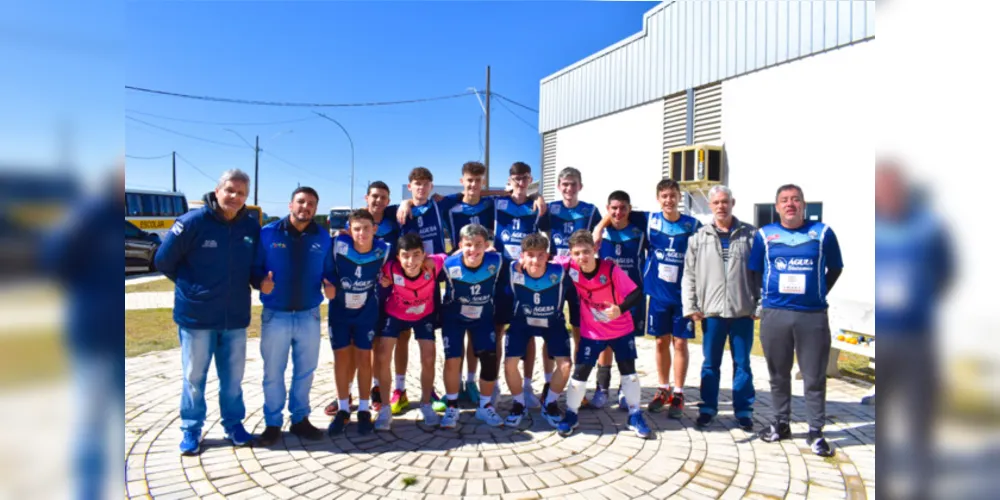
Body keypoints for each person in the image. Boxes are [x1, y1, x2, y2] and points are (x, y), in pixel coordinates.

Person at [154, 169, 261, 455]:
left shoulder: (250, 227)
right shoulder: (192, 223)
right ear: (217, 191)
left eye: (241, 193)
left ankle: (234, 424)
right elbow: (163, 261)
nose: (235, 197)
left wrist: (262, 280)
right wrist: (192, 288)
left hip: (235, 318)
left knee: (233, 380)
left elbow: (253, 267)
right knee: (193, 378)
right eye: (230, 190)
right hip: (197, 318)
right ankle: (191, 429)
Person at [42, 163, 124, 500]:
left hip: (120, 342)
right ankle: (88, 492)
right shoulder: (88, 215)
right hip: (92, 337)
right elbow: (54, 261)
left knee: (121, 422)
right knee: (91, 423)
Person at [875, 160, 952, 500]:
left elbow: (947, 273)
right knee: (881, 417)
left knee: (920, 416)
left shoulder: (929, 226)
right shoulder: (873, 226)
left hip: (918, 337)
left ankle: (922, 484)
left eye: (893, 186)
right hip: (883, 337)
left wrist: (916, 301)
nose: (888, 193)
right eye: (882, 187)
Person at [749, 184, 844, 457]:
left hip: (811, 315)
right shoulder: (765, 235)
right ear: (777, 207)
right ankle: (781, 423)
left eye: (795, 200)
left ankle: (816, 431)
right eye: (784, 200)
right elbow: (755, 270)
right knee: (778, 375)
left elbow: (835, 268)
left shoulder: (822, 233)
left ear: (803, 204)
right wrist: (763, 299)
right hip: (775, 313)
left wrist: (818, 291)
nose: (790, 204)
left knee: (814, 376)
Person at [251, 187, 333, 446]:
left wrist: (331, 286)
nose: (305, 207)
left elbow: (330, 271)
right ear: (290, 205)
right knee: (273, 372)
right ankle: (273, 423)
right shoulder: (268, 233)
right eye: (300, 202)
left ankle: (300, 420)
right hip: (276, 315)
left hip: (309, 315)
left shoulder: (323, 237)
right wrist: (259, 282)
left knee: (305, 371)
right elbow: (254, 269)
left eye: (311, 204)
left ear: (315, 209)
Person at [554, 230, 651, 439]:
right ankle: (571, 414)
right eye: (577, 253)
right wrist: (520, 263)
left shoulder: (610, 268)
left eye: (586, 252)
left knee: (629, 372)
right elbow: (542, 260)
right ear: (571, 254)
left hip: (620, 329)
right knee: (580, 373)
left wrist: (620, 308)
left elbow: (637, 293)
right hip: (592, 332)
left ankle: (635, 415)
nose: (582, 257)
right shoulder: (568, 266)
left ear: (595, 249)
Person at [681, 185, 758, 431]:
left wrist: (759, 304)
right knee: (710, 363)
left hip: (742, 311)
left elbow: (762, 274)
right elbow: (689, 275)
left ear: (732, 203)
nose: (721, 206)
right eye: (716, 203)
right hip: (711, 312)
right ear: (710, 206)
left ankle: (744, 410)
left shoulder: (751, 235)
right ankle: (707, 408)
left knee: (743, 362)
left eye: (725, 202)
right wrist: (690, 305)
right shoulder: (699, 237)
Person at [326, 209, 391, 436]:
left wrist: (386, 279)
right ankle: (343, 409)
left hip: (366, 313)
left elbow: (394, 268)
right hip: (340, 313)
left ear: (374, 228)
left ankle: (364, 409)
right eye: (356, 228)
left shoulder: (384, 249)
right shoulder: (337, 245)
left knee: (365, 358)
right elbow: (326, 270)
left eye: (366, 228)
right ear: (348, 230)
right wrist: (329, 283)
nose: (361, 233)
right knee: (341, 358)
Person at [389, 167, 448, 416]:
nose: (421, 188)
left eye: (425, 184)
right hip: (403, 282)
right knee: (401, 339)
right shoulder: (397, 210)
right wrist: (403, 202)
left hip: (430, 280)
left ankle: (429, 390)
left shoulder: (440, 205)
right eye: (416, 184)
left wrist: (535, 197)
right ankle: (399, 390)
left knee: (428, 343)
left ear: (431, 186)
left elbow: (478, 196)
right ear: (409, 185)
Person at [376, 233, 447, 430]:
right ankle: (384, 408)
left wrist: (489, 250)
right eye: (405, 256)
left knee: (429, 356)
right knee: (382, 355)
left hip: (424, 315)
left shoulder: (433, 265)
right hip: (396, 314)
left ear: (424, 255)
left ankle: (426, 404)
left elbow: (453, 257)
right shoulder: (390, 269)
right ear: (398, 257)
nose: (411, 261)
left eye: (416, 255)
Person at [644, 179, 702, 418]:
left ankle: (678, 392)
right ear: (658, 198)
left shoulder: (693, 225)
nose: (668, 200)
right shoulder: (650, 221)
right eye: (664, 196)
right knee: (660, 342)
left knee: (680, 343)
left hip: (683, 296)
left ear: (680, 197)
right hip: (658, 295)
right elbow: (616, 212)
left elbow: (704, 256)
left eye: (673, 195)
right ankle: (662, 388)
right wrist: (598, 228)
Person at [493, 162, 549, 409]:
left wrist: (539, 196)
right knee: (496, 331)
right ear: (510, 179)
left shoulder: (536, 205)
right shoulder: (498, 203)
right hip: (501, 275)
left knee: (527, 333)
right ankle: (492, 384)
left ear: (530, 179)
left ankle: (527, 386)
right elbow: (471, 195)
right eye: (516, 178)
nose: (520, 182)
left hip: (526, 277)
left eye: (525, 178)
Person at [543, 167, 601, 402]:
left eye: (573, 184)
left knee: (580, 332)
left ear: (580, 186)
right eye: (565, 184)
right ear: (559, 186)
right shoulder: (551, 209)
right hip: (555, 278)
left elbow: (602, 227)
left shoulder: (590, 210)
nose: (569, 188)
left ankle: (579, 384)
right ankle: (548, 383)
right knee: (549, 330)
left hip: (581, 279)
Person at [503, 233, 571, 428]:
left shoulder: (560, 271)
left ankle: (549, 403)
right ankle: (518, 404)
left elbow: (579, 260)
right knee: (509, 364)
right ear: (522, 256)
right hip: (522, 322)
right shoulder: (511, 269)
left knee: (565, 365)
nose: (535, 260)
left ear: (548, 256)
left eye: (541, 255)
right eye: (530, 255)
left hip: (552, 323)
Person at [440, 224, 504, 428]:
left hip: (483, 318)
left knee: (489, 358)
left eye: (478, 245)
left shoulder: (497, 260)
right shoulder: (449, 264)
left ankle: (485, 407)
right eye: (468, 245)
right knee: (452, 360)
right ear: (460, 245)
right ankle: (451, 406)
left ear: (487, 245)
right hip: (454, 318)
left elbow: (522, 266)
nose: (473, 250)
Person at [591, 191, 648, 410]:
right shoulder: (600, 235)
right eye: (613, 208)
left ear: (629, 209)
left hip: (631, 298)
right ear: (607, 209)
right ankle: (602, 388)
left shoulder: (640, 230)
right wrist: (598, 228)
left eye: (623, 208)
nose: (618, 212)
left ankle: (625, 389)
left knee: (627, 344)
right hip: (605, 298)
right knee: (604, 344)